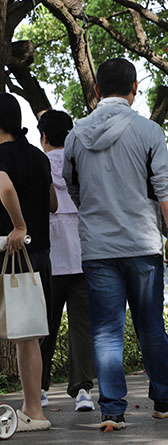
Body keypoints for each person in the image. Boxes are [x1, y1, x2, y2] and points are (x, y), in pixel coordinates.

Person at [63, 58, 168, 431]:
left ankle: (113, 410)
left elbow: (72, 186)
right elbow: (164, 185)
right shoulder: (148, 131)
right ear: (135, 88)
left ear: (97, 89)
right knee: (149, 324)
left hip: (98, 248)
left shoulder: (75, 136)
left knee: (105, 330)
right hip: (141, 244)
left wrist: (96, 213)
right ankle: (163, 396)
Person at [0, 93, 57, 431]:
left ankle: (34, 412)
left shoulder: (1, 155)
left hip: (11, 256)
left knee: (25, 335)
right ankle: (33, 410)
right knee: (29, 336)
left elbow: (4, 186)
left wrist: (18, 225)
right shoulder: (38, 156)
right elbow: (52, 202)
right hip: (39, 256)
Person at [37, 110, 95, 412]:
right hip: (83, 257)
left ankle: (39, 388)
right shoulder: (82, 164)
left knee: (44, 326)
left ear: (44, 136)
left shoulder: (38, 164)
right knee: (81, 328)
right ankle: (83, 390)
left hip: (49, 258)